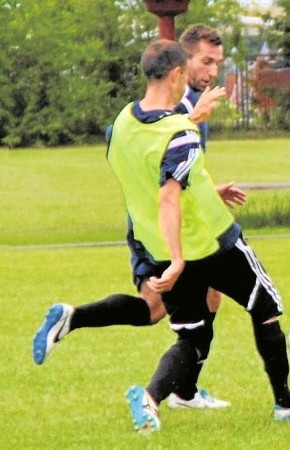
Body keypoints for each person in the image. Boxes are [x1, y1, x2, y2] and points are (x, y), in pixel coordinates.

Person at [106, 39, 290, 433]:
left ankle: (151, 398)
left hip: (162, 249)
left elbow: (149, 178)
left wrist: (168, 255)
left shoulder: (121, 125)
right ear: (176, 74)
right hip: (212, 241)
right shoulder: (181, 132)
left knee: (193, 338)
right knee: (266, 308)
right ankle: (286, 403)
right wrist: (177, 258)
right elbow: (169, 194)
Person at [31, 24, 242, 410]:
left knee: (207, 295)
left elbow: (176, 176)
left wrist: (212, 192)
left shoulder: (191, 103)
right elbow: (141, 155)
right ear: (182, 61)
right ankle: (165, 390)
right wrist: (191, 119)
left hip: (175, 220)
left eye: (218, 63)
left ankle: (185, 391)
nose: (213, 72)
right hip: (156, 226)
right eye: (206, 62)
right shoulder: (174, 105)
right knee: (153, 309)